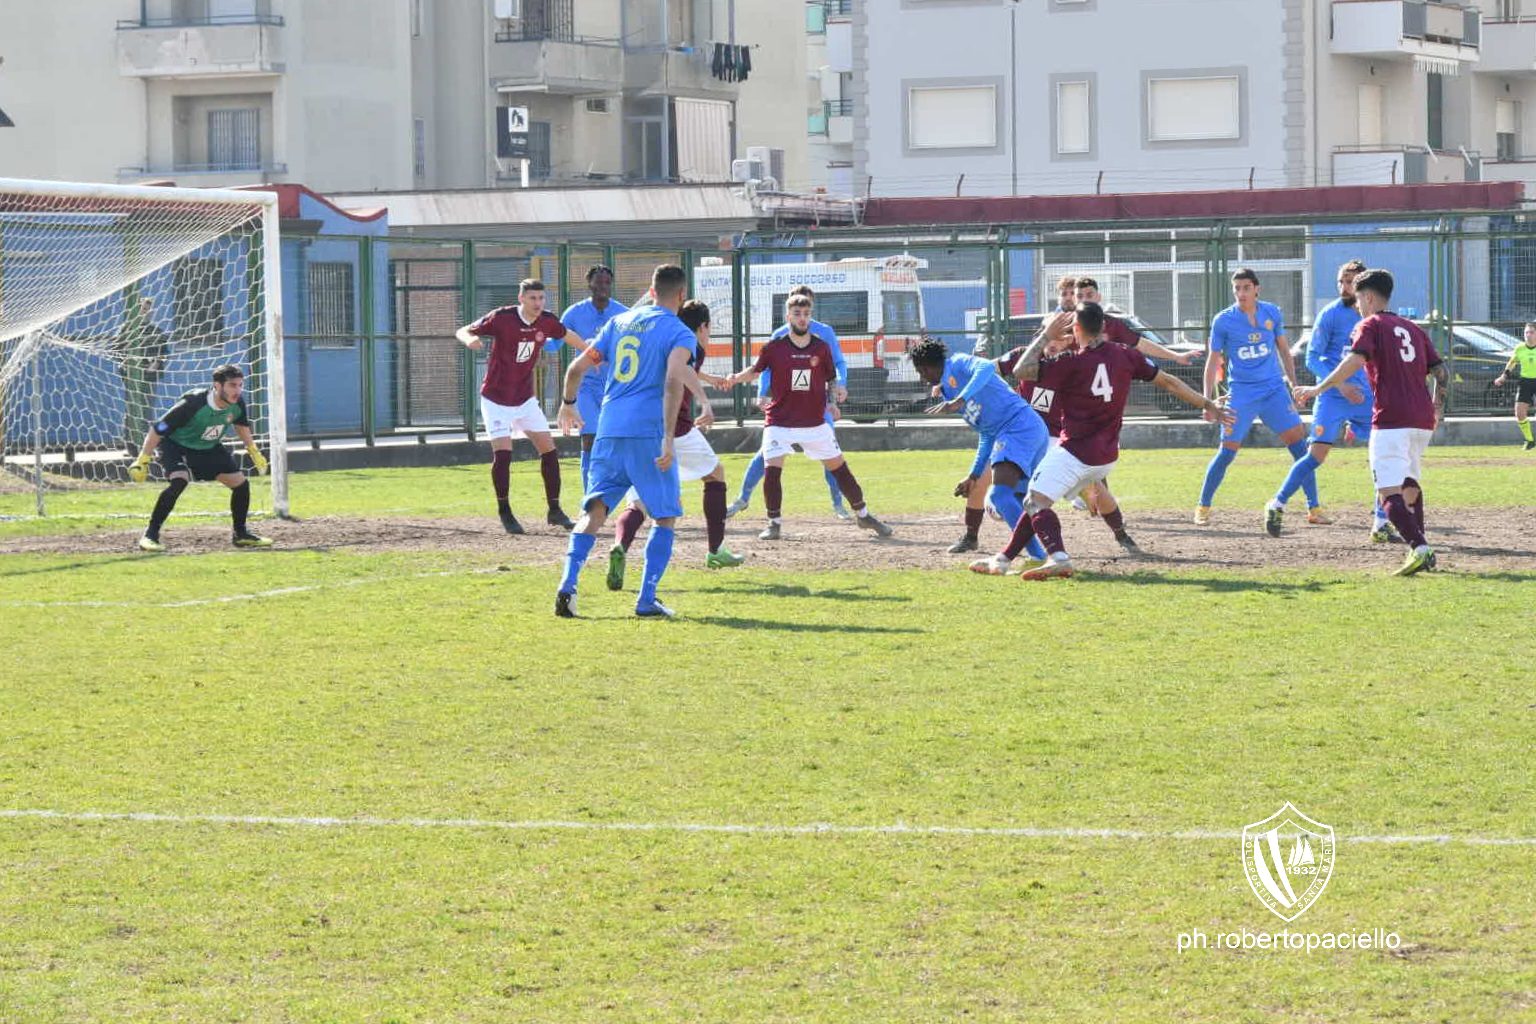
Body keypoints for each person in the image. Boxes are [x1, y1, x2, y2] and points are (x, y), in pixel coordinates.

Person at [997, 303, 1232, 579]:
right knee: (1042, 497)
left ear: (1077, 329)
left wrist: (1046, 334)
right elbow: (1169, 382)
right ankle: (1003, 558)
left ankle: (1058, 557)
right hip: (1107, 456)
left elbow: (1022, 370)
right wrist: (1207, 403)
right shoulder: (1125, 355)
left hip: (1075, 450)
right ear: (1104, 326)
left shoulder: (1069, 364)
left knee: (1035, 502)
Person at [553, 264, 697, 619]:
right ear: (681, 295)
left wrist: (568, 405)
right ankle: (646, 598)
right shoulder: (679, 332)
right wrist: (667, 437)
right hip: (647, 433)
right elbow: (673, 381)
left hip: (609, 429)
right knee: (665, 517)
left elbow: (575, 370)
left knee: (594, 512)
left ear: (650, 291)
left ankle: (567, 588)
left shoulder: (618, 323)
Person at [1295, 268, 1448, 576]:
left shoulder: (1370, 324)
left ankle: (1420, 549)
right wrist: (1437, 405)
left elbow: (1354, 360)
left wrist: (1317, 388)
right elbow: (1440, 372)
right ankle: (1419, 548)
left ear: (1367, 297)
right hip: (1421, 419)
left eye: (1358, 300)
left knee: (1386, 491)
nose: (1358, 308)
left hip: (1391, 418)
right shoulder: (1413, 328)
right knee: (1409, 485)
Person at [604, 299, 747, 589]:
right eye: (709, 328)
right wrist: (705, 401)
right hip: (677, 429)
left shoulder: (666, 337)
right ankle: (716, 550)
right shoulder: (693, 344)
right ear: (703, 327)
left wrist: (707, 378)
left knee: (639, 500)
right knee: (715, 474)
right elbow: (683, 369)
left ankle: (620, 545)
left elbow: (678, 366)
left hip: (642, 429)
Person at [724, 294, 892, 540]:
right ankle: (774, 523)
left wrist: (833, 403)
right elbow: (756, 371)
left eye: (806, 314)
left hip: (814, 422)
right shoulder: (774, 347)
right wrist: (735, 377)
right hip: (779, 421)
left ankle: (864, 515)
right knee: (772, 471)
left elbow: (830, 377)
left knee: (841, 470)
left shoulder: (820, 347)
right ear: (788, 316)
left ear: (810, 316)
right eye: (797, 314)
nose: (802, 319)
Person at [1266, 259, 1394, 540]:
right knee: (1316, 456)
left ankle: (1381, 522)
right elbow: (1312, 358)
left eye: (1350, 281)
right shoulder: (1330, 314)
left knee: (1383, 456)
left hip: (1367, 398)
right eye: (1341, 281)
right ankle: (1276, 504)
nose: (1345, 286)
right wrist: (1342, 385)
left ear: (1365, 286)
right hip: (1334, 397)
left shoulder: (1375, 317)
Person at [909, 336, 1050, 570]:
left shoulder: (957, 363)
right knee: (1017, 501)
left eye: (920, 372)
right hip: (1027, 430)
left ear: (924, 368)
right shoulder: (947, 391)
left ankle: (1037, 555)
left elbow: (985, 366)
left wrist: (959, 399)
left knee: (999, 496)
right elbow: (986, 432)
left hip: (1019, 428)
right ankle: (1050, 554)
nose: (922, 377)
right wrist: (974, 475)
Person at [456, 278, 582, 535]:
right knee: (503, 454)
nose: (538, 303)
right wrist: (469, 340)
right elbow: (463, 330)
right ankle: (505, 511)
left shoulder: (546, 321)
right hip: (495, 398)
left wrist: (592, 353)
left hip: (524, 399)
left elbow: (569, 336)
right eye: (533, 298)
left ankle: (555, 510)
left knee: (549, 451)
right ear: (521, 298)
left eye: (541, 298)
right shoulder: (502, 318)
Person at [1194, 268, 1318, 526]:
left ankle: (1314, 508)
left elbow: (1285, 352)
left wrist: (1294, 387)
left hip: (1274, 391)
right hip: (1241, 394)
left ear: (1256, 288)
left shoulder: (1272, 312)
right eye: (1236, 288)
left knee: (1300, 447)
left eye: (1246, 287)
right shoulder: (1223, 320)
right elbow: (1212, 361)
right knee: (1226, 453)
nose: (1241, 293)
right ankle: (1203, 506)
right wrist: (1207, 402)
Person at [726, 284, 850, 520]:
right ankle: (743, 499)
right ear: (789, 310)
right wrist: (763, 392)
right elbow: (764, 368)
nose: (801, 314)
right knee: (765, 454)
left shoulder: (825, 334)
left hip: (816, 406)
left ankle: (838, 504)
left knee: (831, 454)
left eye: (806, 309)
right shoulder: (779, 335)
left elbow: (838, 364)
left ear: (811, 309)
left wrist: (840, 384)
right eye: (795, 306)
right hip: (786, 409)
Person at [127, 364, 272, 551]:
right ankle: (150, 535)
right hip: (176, 445)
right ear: (217, 386)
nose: (237, 390)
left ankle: (241, 534)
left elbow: (241, 426)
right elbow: (158, 429)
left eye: (240, 385)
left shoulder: (237, 403)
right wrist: (142, 459)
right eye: (232, 385)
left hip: (207, 447)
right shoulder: (193, 403)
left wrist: (254, 451)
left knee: (241, 484)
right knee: (179, 481)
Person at [551, 265, 628, 490]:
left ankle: (617, 490)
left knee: (615, 441)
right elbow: (554, 343)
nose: (602, 286)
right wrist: (533, 339)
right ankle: (590, 494)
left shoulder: (623, 313)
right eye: (598, 282)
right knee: (589, 439)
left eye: (606, 282)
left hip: (614, 387)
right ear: (589, 284)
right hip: (585, 386)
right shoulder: (574, 313)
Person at [1073, 277, 1195, 364]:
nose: (1084, 300)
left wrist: (1176, 356)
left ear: (1098, 297)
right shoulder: (1063, 325)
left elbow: (1141, 344)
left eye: (1089, 295)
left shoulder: (1113, 324)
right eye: (1080, 296)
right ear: (1074, 299)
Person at [119, 296, 172, 455]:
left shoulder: (156, 331)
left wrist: (156, 364)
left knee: (147, 409)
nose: (145, 312)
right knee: (132, 409)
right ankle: (130, 446)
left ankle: (148, 445)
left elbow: (164, 353)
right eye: (142, 309)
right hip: (131, 377)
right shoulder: (126, 330)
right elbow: (115, 350)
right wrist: (126, 364)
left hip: (149, 377)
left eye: (148, 309)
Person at [1492, 322, 1536, 451]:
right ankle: (1530, 440)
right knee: (1520, 413)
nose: (1528, 335)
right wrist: (1503, 377)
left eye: (1531, 332)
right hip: (1525, 382)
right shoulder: (1520, 348)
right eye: (1526, 332)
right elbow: (1512, 363)